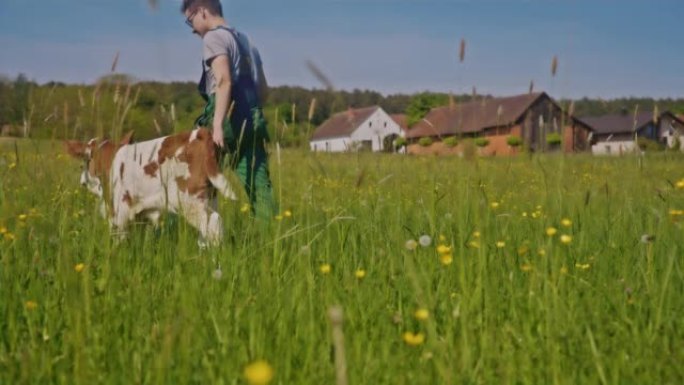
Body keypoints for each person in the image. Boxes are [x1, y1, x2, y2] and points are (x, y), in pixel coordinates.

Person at [181, 0, 277, 222]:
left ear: (202, 11)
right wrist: (250, 112)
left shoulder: (213, 38)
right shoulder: (248, 42)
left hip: (226, 121)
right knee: (259, 188)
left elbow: (224, 80)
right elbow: (263, 91)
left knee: (197, 180)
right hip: (253, 118)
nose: (193, 29)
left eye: (190, 20)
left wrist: (217, 126)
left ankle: (200, 238)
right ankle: (273, 239)